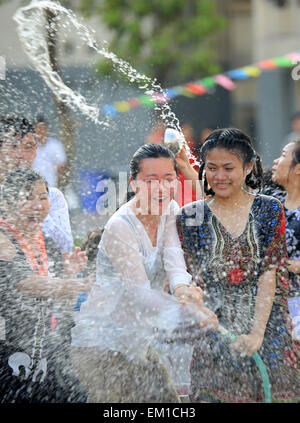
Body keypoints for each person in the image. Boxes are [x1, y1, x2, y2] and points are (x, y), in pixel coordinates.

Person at [71, 143, 218, 403]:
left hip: (138, 341)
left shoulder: (171, 210)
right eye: (151, 180)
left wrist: (186, 292)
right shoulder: (120, 226)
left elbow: (176, 266)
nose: (161, 188)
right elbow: (140, 294)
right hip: (100, 343)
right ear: (134, 183)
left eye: (168, 178)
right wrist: (189, 312)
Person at [176, 128, 300, 403]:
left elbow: (271, 272)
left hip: (268, 328)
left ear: (247, 168)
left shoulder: (269, 209)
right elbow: (188, 278)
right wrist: (195, 307)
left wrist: (256, 333)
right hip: (216, 329)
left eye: (228, 168)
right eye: (212, 168)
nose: (219, 176)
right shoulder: (190, 217)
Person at [0, 168, 93, 402]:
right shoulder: (3, 239)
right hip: (7, 352)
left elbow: (61, 308)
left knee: (76, 397)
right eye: (28, 197)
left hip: (47, 350)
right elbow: (26, 284)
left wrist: (69, 277)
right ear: (8, 203)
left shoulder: (48, 245)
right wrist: (75, 284)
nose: (38, 205)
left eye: (43, 197)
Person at [0, 116, 73, 253]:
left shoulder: (53, 197)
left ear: (35, 152)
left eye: (28, 147)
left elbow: (65, 249)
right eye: (14, 146)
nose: (21, 155)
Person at [271, 141, 300, 340]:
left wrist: (287, 264)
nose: (275, 161)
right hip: (270, 304)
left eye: (282, 155)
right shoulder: (271, 201)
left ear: (298, 168)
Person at [33, 115, 67, 188]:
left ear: (47, 129)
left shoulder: (55, 146)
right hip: (32, 186)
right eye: (38, 128)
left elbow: (62, 165)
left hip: (50, 185)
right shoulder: (30, 146)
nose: (40, 131)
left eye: (43, 128)